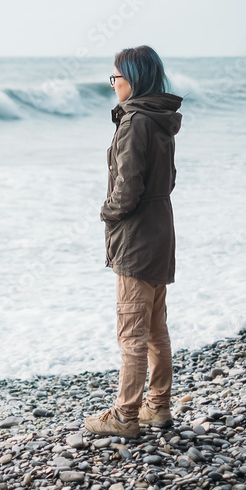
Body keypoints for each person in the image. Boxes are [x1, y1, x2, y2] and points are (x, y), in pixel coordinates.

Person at [84, 45, 183, 437]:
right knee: (155, 326)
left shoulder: (134, 122)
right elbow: (169, 179)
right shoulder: (161, 118)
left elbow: (126, 189)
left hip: (138, 237)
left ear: (134, 79)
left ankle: (125, 416)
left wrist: (107, 213)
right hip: (161, 230)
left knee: (132, 330)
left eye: (116, 77)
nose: (112, 85)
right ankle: (156, 407)